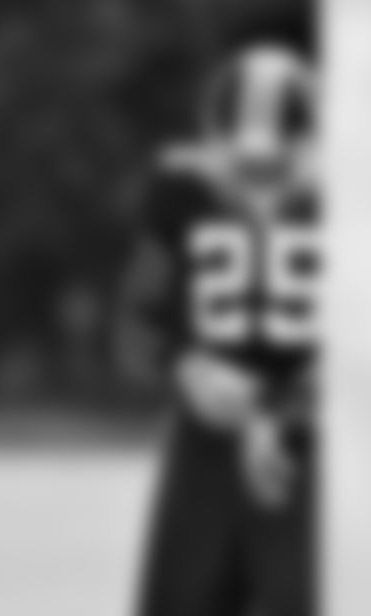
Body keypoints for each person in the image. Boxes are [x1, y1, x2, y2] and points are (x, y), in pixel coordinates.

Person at [128, 43, 319, 616]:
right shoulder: (179, 193)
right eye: (245, 166)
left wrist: (280, 410)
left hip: (312, 448)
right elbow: (138, 322)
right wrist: (184, 366)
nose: (260, 185)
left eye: (275, 168)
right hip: (206, 448)